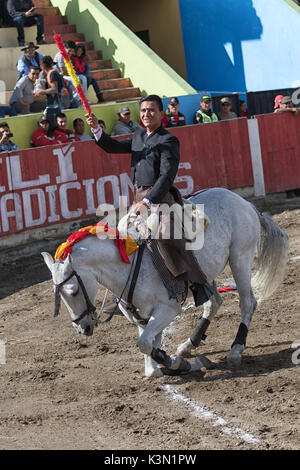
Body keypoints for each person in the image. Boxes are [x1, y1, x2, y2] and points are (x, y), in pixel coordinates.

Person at [86, 94, 213, 306]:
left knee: (166, 233)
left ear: (161, 113)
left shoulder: (169, 140)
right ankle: (128, 292)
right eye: (143, 110)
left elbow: (167, 176)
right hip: (138, 198)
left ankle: (195, 283)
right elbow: (112, 147)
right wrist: (97, 129)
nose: (146, 114)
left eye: (151, 110)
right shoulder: (137, 136)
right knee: (124, 233)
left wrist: (147, 201)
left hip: (161, 197)